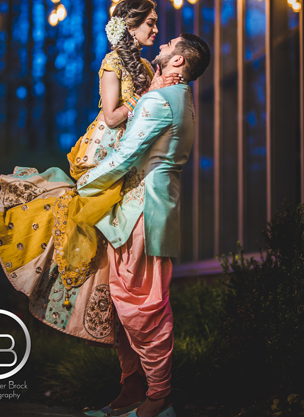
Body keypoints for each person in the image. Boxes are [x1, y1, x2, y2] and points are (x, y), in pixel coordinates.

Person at [0, 0, 180, 346]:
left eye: (155, 22)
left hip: (132, 155)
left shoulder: (148, 69)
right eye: (149, 22)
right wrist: (147, 98)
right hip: (105, 152)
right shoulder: (112, 63)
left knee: (116, 240)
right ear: (131, 26)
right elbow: (110, 115)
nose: (155, 28)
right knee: (87, 223)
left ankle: (116, 319)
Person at [80, 33, 211, 417]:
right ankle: (132, 390)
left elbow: (124, 156)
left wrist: (83, 186)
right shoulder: (179, 99)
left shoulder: (161, 100)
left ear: (179, 62)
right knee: (124, 304)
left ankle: (158, 400)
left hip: (144, 213)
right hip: (146, 210)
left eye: (173, 44)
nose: (165, 41)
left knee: (142, 306)